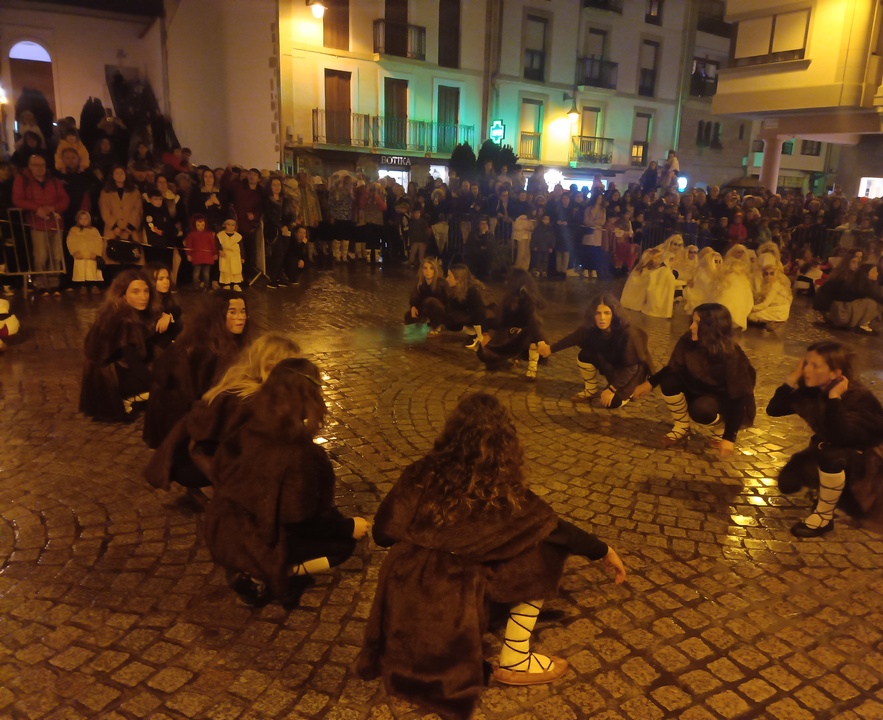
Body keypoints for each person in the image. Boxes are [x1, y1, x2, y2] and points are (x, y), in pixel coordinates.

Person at [355, 393, 626, 719]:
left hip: (402, 591)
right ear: (505, 444)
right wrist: (604, 550)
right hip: (453, 600)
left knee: (525, 538)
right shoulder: (502, 492)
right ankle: (516, 657)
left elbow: (383, 534)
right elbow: (556, 529)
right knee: (542, 547)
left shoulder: (418, 473)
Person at [204, 358, 371, 607]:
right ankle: (261, 576)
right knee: (342, 546)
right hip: (257, 541)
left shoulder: (248, 426)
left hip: (222, 528)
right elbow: (302, 518)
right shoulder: (299, 452)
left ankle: (253, 569)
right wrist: (347, 527)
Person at [145, 333, 301, 499]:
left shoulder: (246, 383)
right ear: (268, 368)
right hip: (194, 463)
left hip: (198, 455)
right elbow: (241, 450)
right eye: (293, 370)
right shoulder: (247, 400)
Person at [767, 340, 883, 537]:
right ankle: (826, 487)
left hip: (863, 456)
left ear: (835, 373)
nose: (807, 370)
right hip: (828, 446)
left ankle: (824, 518)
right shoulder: (812, 391)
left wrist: (834, 398)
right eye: (806, 363)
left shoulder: (857, 396)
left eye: (815, 366)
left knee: (831, 457)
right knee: (788, 483)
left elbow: (842, 436)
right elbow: (774, 409)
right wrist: (791, 379)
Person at [634, 303, 756, 458]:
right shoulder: (688, 340)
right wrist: (650, 383)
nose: (691, 326)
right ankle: (682, 427)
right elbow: (673, 367)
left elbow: (738, 397)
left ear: (712, 328)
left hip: (721, 399)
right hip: (697, 388)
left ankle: (721, 426)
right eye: (692, 321)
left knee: (701, 411)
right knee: (670, 381)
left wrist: (729, 437)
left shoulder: (731, 355)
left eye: (697, 323)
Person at [142, 290, 251, 448]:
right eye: (232, 312)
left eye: (243, 311)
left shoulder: (229, 340)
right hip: (177, 413)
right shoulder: (206, 347)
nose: (240, 317)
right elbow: (202, 391)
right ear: (218, 315)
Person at [538, 294, 654, 409]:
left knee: (611, 402)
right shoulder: (593, 327)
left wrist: (611, 389)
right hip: (613, 366)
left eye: (607, 313)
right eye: (598, 313)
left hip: (632, 373)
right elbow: (573, 338)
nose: (602, 318)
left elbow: (632, 368)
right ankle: (591, 389)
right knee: (585, 355)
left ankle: (632, 390)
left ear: (614, 314)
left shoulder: (628, 333)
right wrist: (550, 349)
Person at [79, 269, 159, 421]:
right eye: (135, 292)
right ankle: (129, 399)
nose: (143, 297)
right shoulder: (125, 321)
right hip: (111, 382)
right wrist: (157, 385)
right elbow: (134, 362)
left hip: (105, 377)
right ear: (122, 295)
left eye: (146, 291)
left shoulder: (116, 311)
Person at [12, 153, 70, 295]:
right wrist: (36, 208)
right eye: (36, 165)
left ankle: (54, 283)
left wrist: (53, 208)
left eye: (42, 165)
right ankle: (41, 283)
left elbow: (65, 199)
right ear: (29, 166)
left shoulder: (54, 180)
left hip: (55, 222)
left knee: (56, 255)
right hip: (37, 223)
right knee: (41, 255)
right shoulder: (22, 180)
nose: (40, 168)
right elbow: (17, 199)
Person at [478, 269, 546, 380]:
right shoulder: (509, 298)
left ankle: (532, 369)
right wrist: (487, 334)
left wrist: (541, 341)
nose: (505, 282)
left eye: (508, 280)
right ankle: (513, 357)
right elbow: (502, 321)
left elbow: (532, 322)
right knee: (488, 357)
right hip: (509, 333)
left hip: (525, 334)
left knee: (532, 336)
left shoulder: (527, 300)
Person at [815, 262, 883, 334]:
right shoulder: (861, 285)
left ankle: (858, 324)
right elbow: (878, 298)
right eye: (874, 271)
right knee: (871, 303)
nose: (877, 273)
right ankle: (862, 326)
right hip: (841, 312)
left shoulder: (857, 282)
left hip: (839, 311)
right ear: (866, 273)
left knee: (869, 302)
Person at [445, 263, 495, 348]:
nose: (447, 279)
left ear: (458, 279)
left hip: (485, 317)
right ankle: (472, 332)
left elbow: (479, 311)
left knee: (457, 317)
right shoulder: (454, 289)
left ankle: (477, 335)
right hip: (470, 315)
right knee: (450, 321)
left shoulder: (472, 290)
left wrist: (483, 334)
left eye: (449, 276)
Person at [263, 176, 296, 286]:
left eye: (278, 185)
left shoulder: (285, 200)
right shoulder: (267, 201)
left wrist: (289, 224)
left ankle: (279, 276)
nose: (277, 187)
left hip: (286, 230)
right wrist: (281, 226)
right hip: (274, 230)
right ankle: (272, 278)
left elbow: (290, 213)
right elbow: (270, 216)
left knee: (283, 254)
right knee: (278, 253)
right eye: (274, 185)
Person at [403, 257, 448, 337]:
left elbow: (448, 300)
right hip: (426, 308)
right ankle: (426, 321)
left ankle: (437, 326)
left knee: (430, 301)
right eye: (425, 268)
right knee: (409, 316)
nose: (428, 271)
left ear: (435, 270)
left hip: (440, 310)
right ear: (422, 270)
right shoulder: (420, 282)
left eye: (431, 268)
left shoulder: (441, 282)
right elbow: (415, 295)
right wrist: (413, 306)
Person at [65, 210, 105, 296]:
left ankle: (94, 286)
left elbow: (99, 242)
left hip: (91, 255)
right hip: (80, 255)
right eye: (81, 219)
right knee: (81, 272)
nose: (83, 221)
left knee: (92, 271)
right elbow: (70, 241)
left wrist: (96, 253)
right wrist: (74, 252)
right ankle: (83, 286)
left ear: (89, 219)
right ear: (78, 219)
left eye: (85, 219)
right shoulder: (74, 230)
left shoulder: (94, 230)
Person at [216, 218, 244, 291]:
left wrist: (242, 257)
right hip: (225, 255)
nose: (231, 227)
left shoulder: (238, 236)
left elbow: (241, 247)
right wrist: (220, 250)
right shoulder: (220, 235)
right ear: (225, 225)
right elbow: (217, 245)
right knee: (226, 269)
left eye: (233, 225)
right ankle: (226, 284)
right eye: (229, 225)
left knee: (235, 269)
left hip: (235, 255)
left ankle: (236, 284)